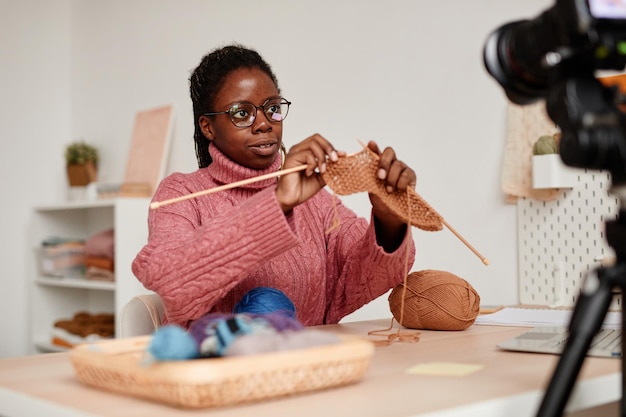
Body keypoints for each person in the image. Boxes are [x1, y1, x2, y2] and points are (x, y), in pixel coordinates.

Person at [132, 44, 417, 328]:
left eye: (272, 108)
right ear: (208, 127)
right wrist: (278, 202)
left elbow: (359, 279)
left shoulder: (314, 200)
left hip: (306, 369)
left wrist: (388, 216)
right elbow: (171, 282)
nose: (264, 123)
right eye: (241, 113)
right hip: (211, 370)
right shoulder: (181, 194)